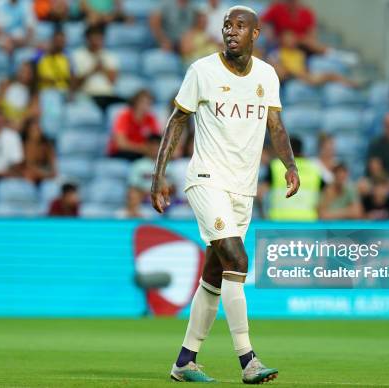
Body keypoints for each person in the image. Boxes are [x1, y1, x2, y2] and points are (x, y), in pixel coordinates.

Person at [150, 6, 299, 383]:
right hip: (206, 179)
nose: (231, 31)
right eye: (227, 25)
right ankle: (248, 359)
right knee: (237, 256)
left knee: (216, 275)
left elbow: (276, 126)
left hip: (242, 188)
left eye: (239, 26)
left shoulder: (266, 74)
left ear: (255, 34)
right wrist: (159, 175)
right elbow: (177, 121)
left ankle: (184, 362)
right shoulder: (202, 70)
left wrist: (290, 166)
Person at [269, 29, 355, 86]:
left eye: (292, 38)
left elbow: (304, 68)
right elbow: (273, 65)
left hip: (304, 76)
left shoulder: (299, 53)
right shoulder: (278, 53)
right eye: (287, 38)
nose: (290, 40)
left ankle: (350, 84)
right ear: (282, 40)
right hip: (290, 77)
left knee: (330, 74)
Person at [262, 137, 320, 221]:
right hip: (307, 222)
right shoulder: (314, 168)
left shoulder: (275, 166)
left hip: (279, 222)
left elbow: (261, 194)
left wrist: (264, 214)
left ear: (286, 149)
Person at [120, 134, 172, 218]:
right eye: (151, 145)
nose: (154, 148)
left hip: (166, 202)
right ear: (146, 146)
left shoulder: (168, 165)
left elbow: (173, 188)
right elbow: (133, 188)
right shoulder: (138, 165)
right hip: (143, 202)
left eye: (157, 145)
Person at [72, 24, 120, 111]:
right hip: (89, 95)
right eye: (94, 39)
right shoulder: (77, 56)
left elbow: (113, 81)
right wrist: (92, 70)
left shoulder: (110, 56)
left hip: (108, 95)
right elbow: (75, 84)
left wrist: (103, 69)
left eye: (99, 39)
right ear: (87, 39)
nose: (97, 42)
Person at [108, 89, 161, 161]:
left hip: (141, 155)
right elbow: (121, 144)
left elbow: (156, 141)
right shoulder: (124, 116)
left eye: (149, 103)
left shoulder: (151, 119)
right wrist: (142, 148)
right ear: (135, 102)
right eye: (143, 102)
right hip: (122, 153)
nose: (145, 106)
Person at [0, 61, 39, 130]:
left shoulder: (33, 94)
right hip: (2, 119)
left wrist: (20, 118)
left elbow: (34, 111)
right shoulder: (6, 84)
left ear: (32, 75)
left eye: (27, 72)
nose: (22, 74)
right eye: (21, 70)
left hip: (18, 124)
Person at [20, 117, 56, 183]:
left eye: (38, 129)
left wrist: (45, 174)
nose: (37, 132)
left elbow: (53, 167)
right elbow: (28, 165)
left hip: (44, 173)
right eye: (33, 130)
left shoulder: (47, 145)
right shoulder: (23, 145)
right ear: (27, 131)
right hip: (31, 175)